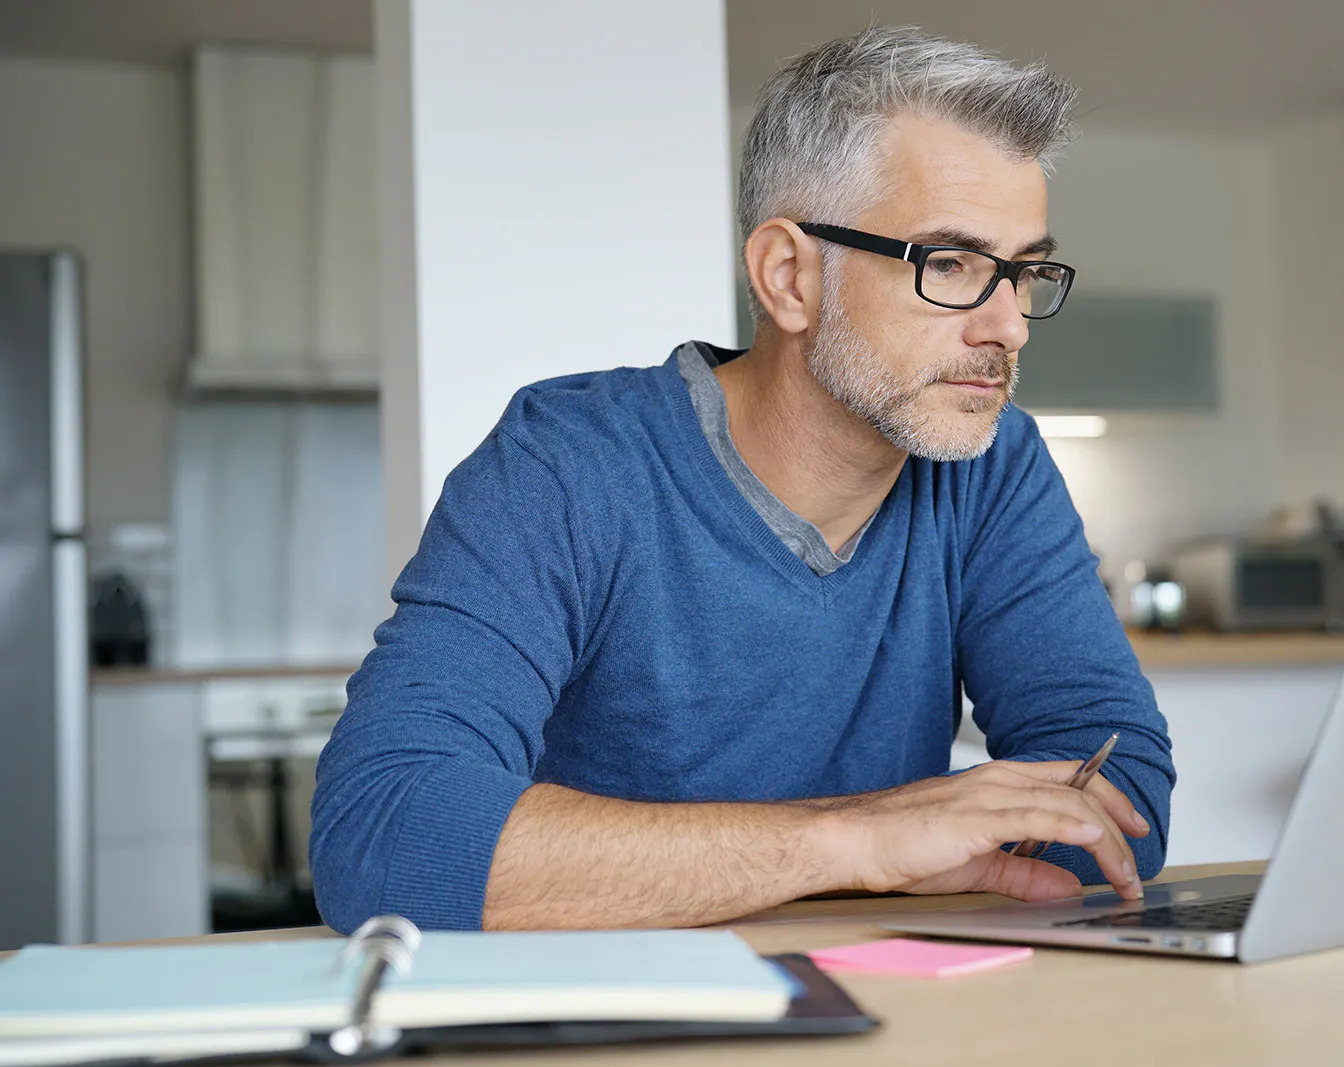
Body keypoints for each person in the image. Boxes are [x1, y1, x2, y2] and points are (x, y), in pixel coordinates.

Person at [310, 26, 1174, 934]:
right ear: (788, 276)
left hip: (897, 1003)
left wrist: (916, 850)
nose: (1010, 326)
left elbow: (1118, 790)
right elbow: (385, 835)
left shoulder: (992, 466)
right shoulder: (566, 465)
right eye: (951, 264)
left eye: (1024, 271)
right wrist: (857, 843)